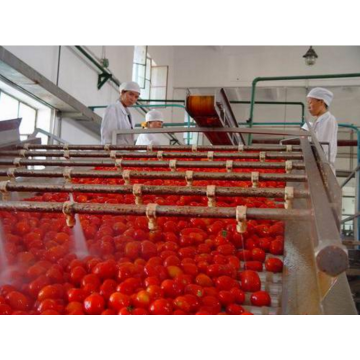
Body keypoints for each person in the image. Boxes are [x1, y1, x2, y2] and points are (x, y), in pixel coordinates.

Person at [303, 87, 338, 174]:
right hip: (317, 165)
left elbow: (322, 147)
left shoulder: (328, 120)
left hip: (323, 167)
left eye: (310, 102)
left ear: (321, 102)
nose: (308, 106)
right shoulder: (319, 120)